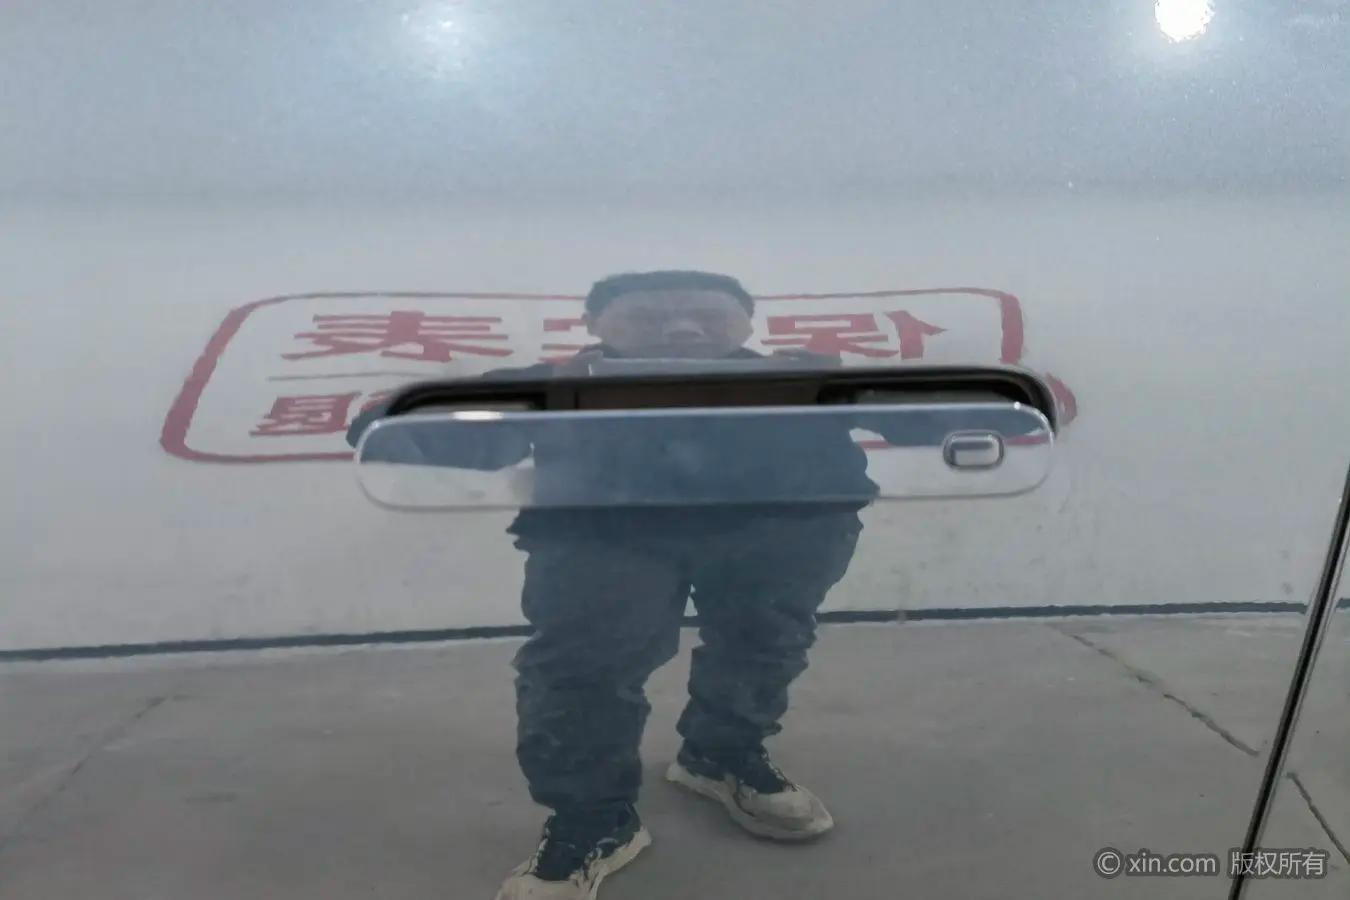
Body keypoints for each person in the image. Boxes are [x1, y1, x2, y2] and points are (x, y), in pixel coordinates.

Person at [351, 271, 874, 900]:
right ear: (594, 325)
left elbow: (942, 418)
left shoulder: (803, 381)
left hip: (784, 532)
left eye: (707, 315)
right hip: (603, 538)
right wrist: (399, 414)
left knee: (764, 644)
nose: (682, 329)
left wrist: (862, 390)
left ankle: (720, 756)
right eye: (649, 316)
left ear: (746, 323)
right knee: (582, 669)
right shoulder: (552, 384)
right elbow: (406, 432)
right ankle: (594, 818)